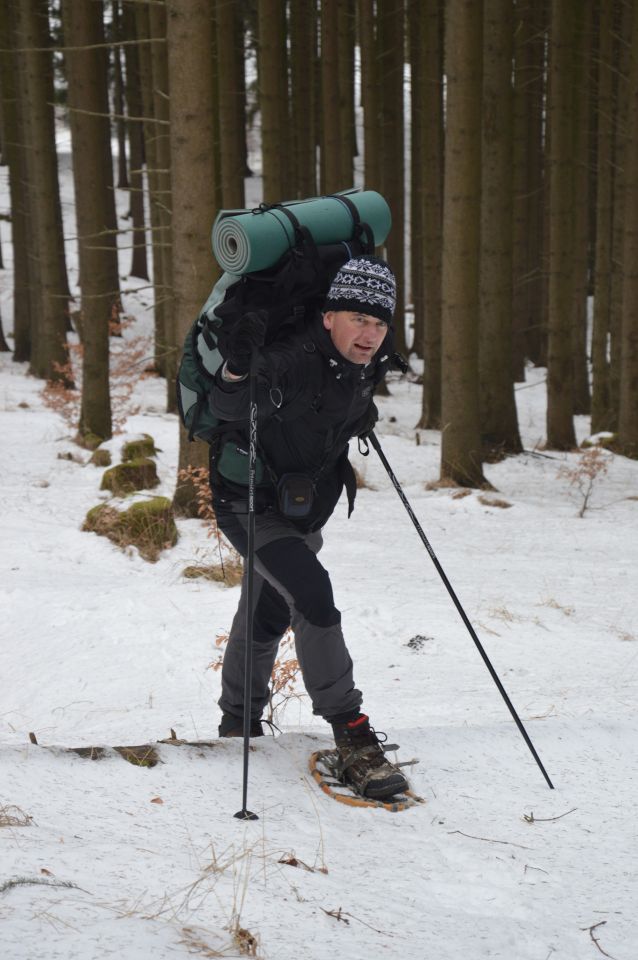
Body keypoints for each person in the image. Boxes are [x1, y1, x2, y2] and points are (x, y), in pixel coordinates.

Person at [208, 255, 408, 800]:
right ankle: (352, 734)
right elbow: (230, 401)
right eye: (358, 320)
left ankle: (237, 724)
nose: (369, 334)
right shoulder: (292, 359)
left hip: (304, 511)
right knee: (313, 596)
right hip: (250, 505)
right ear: (328, 316)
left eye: (379, 322)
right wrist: (237, 368)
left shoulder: (364, 364)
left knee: (267, 610)